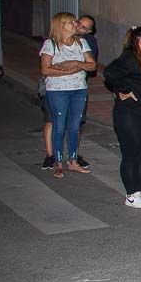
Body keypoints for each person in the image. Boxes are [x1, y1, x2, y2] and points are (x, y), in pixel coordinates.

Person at [104, 27, 141, 207]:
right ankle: (132, 193)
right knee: (131, 153)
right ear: (140, 41)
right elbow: (110, 73)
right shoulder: (129, 58)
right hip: (130, 114)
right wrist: (123, 90)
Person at [39, 12, 96, 178]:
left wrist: (75, 64)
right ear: (61, 26)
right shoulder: (51, 44)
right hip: (57, 91)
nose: (75, 25)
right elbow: (45, 69)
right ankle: (58, 162)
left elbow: (92, 65)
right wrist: (73, 70)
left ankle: (73, 161)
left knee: (74, 126)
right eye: (71, 22)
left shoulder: (81, 42)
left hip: (79, 89)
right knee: (59, 126)